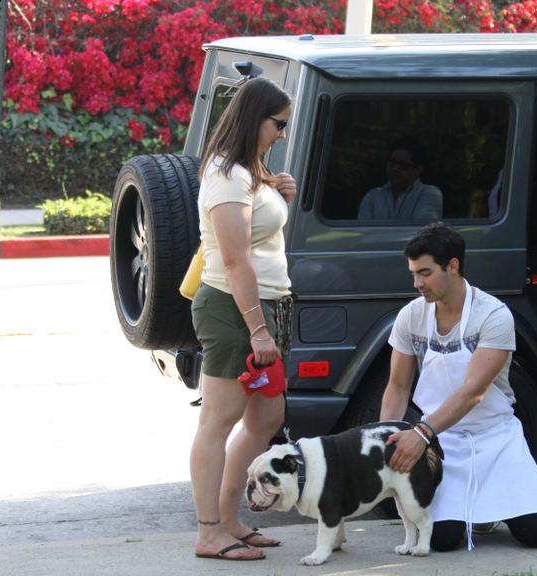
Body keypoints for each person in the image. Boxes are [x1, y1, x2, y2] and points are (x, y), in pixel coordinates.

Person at [380, 222, 537, 552]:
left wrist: (420, 434)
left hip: (496, 436)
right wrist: (385, 441)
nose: (417, 283)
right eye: (413, 273)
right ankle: (470, 512)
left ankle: (489, 510)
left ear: (453, 266)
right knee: (443, 540)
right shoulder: (410, 316)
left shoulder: (494, 315)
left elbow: (473, 391)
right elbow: (398, 386)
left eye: (426, 273)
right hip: (443, 442)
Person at [189, 77, 297, 561]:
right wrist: (257, 328)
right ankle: (210, 532)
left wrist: (278, 192)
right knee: (219, 421)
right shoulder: (225, 174)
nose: (282, 134)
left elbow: (257, 235)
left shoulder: (248, 171)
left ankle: (230, 518)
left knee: (266, 418)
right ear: (255, 117)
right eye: (279, 124)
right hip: (234, 310)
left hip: (265, 307)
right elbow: (234, 260)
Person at [358, 138, 443, 221]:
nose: (395, 168)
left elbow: (420, 230)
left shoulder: (429, 194)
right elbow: (363, 232)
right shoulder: (372, 196)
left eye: (403, 164)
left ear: (418, 169)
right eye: (392, 162)